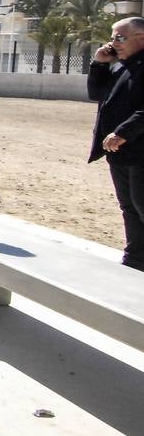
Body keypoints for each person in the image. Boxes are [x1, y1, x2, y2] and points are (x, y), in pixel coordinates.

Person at [86, 16, 144, 271]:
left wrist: (123, 131)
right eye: (112, 37)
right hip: (119, 152)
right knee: (129, 207)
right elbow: (96, 94)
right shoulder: (122, 65)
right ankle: (135, 259)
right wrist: (99, 64)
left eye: (119, 38)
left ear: (141, 38)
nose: (113, 43)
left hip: (138, 150)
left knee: (141, 205)